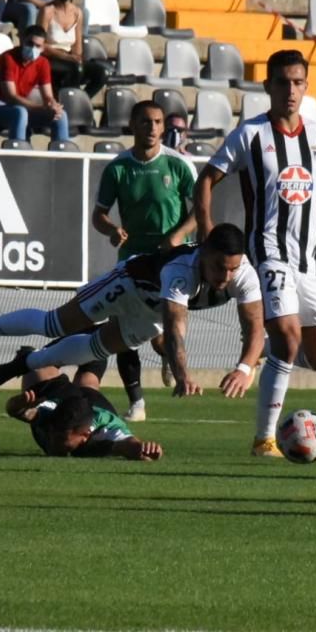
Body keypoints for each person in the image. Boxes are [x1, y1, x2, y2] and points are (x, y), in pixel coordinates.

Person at [194, 49, 316, 458]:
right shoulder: (250, 135)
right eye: (282, 82)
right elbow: (206, 179)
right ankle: (264, 439)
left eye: (298, 82)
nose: (291, 90)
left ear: (306, 86)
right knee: (288, 335)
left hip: (312, 261)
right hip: (269, 254)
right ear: (268, 86)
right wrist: (208, 232)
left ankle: (267, 351)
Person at [0, 223, 265, 407]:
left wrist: (245, 367)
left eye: (232, 269)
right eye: (220, 267)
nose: (226, 277)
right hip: (129, 284)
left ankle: (28, 363)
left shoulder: (244, 274)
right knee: (52, 324)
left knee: (95, 350)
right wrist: (183, 376)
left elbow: (254, 326)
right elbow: (176, 331)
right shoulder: (181, 271)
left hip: (149, 314)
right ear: (205, 253)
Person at [91, 100, 197, 421]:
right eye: (145, 122)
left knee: (164, 335)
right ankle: (136, 402)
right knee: (120, 331)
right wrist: (111, 230)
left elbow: (201, 210)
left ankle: (168, 356)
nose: (152, 128)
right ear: (132, 126)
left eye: (157, 122)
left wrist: (178, 236)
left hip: (173, 261)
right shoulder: (118, 168)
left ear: (164, 127)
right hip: (132, 260)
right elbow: (99, 215)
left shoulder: (178, 165)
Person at [4, 365, 163, 460]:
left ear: (85, 435)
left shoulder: (106, 429)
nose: (53, 440)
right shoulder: (49, 413)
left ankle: (95, 339)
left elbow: (129, 445)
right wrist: (18, 403)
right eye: (54, 433)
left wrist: (145, 450)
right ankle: (90, 333)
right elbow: (15, 410)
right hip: (62, 395)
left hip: (94, 403)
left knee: (88, 382)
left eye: (61, 439)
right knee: (34, 365)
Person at [0, 24, 69, 143]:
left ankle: (60, 158)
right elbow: (10, 97)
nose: (33, 48)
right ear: (22, 41)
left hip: (19, 108)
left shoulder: (43, 63)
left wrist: (53, 106)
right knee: (20, 112)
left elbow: (48, 96)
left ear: (43, 48)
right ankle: (17, 153)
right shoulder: (8, 59)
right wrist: (42, 108)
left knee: (61, 116)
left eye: (38, 46)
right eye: (30, 43)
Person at [37, 0, 108, 98]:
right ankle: (66, 101)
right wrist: (67, 57)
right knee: (76, 68)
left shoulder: (77, 13)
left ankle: (80, 100)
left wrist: (76, 57)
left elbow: (77, 47)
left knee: (101, 73)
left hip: (70, 58)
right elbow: (40, 45)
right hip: (50, 58)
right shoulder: (47, 11)